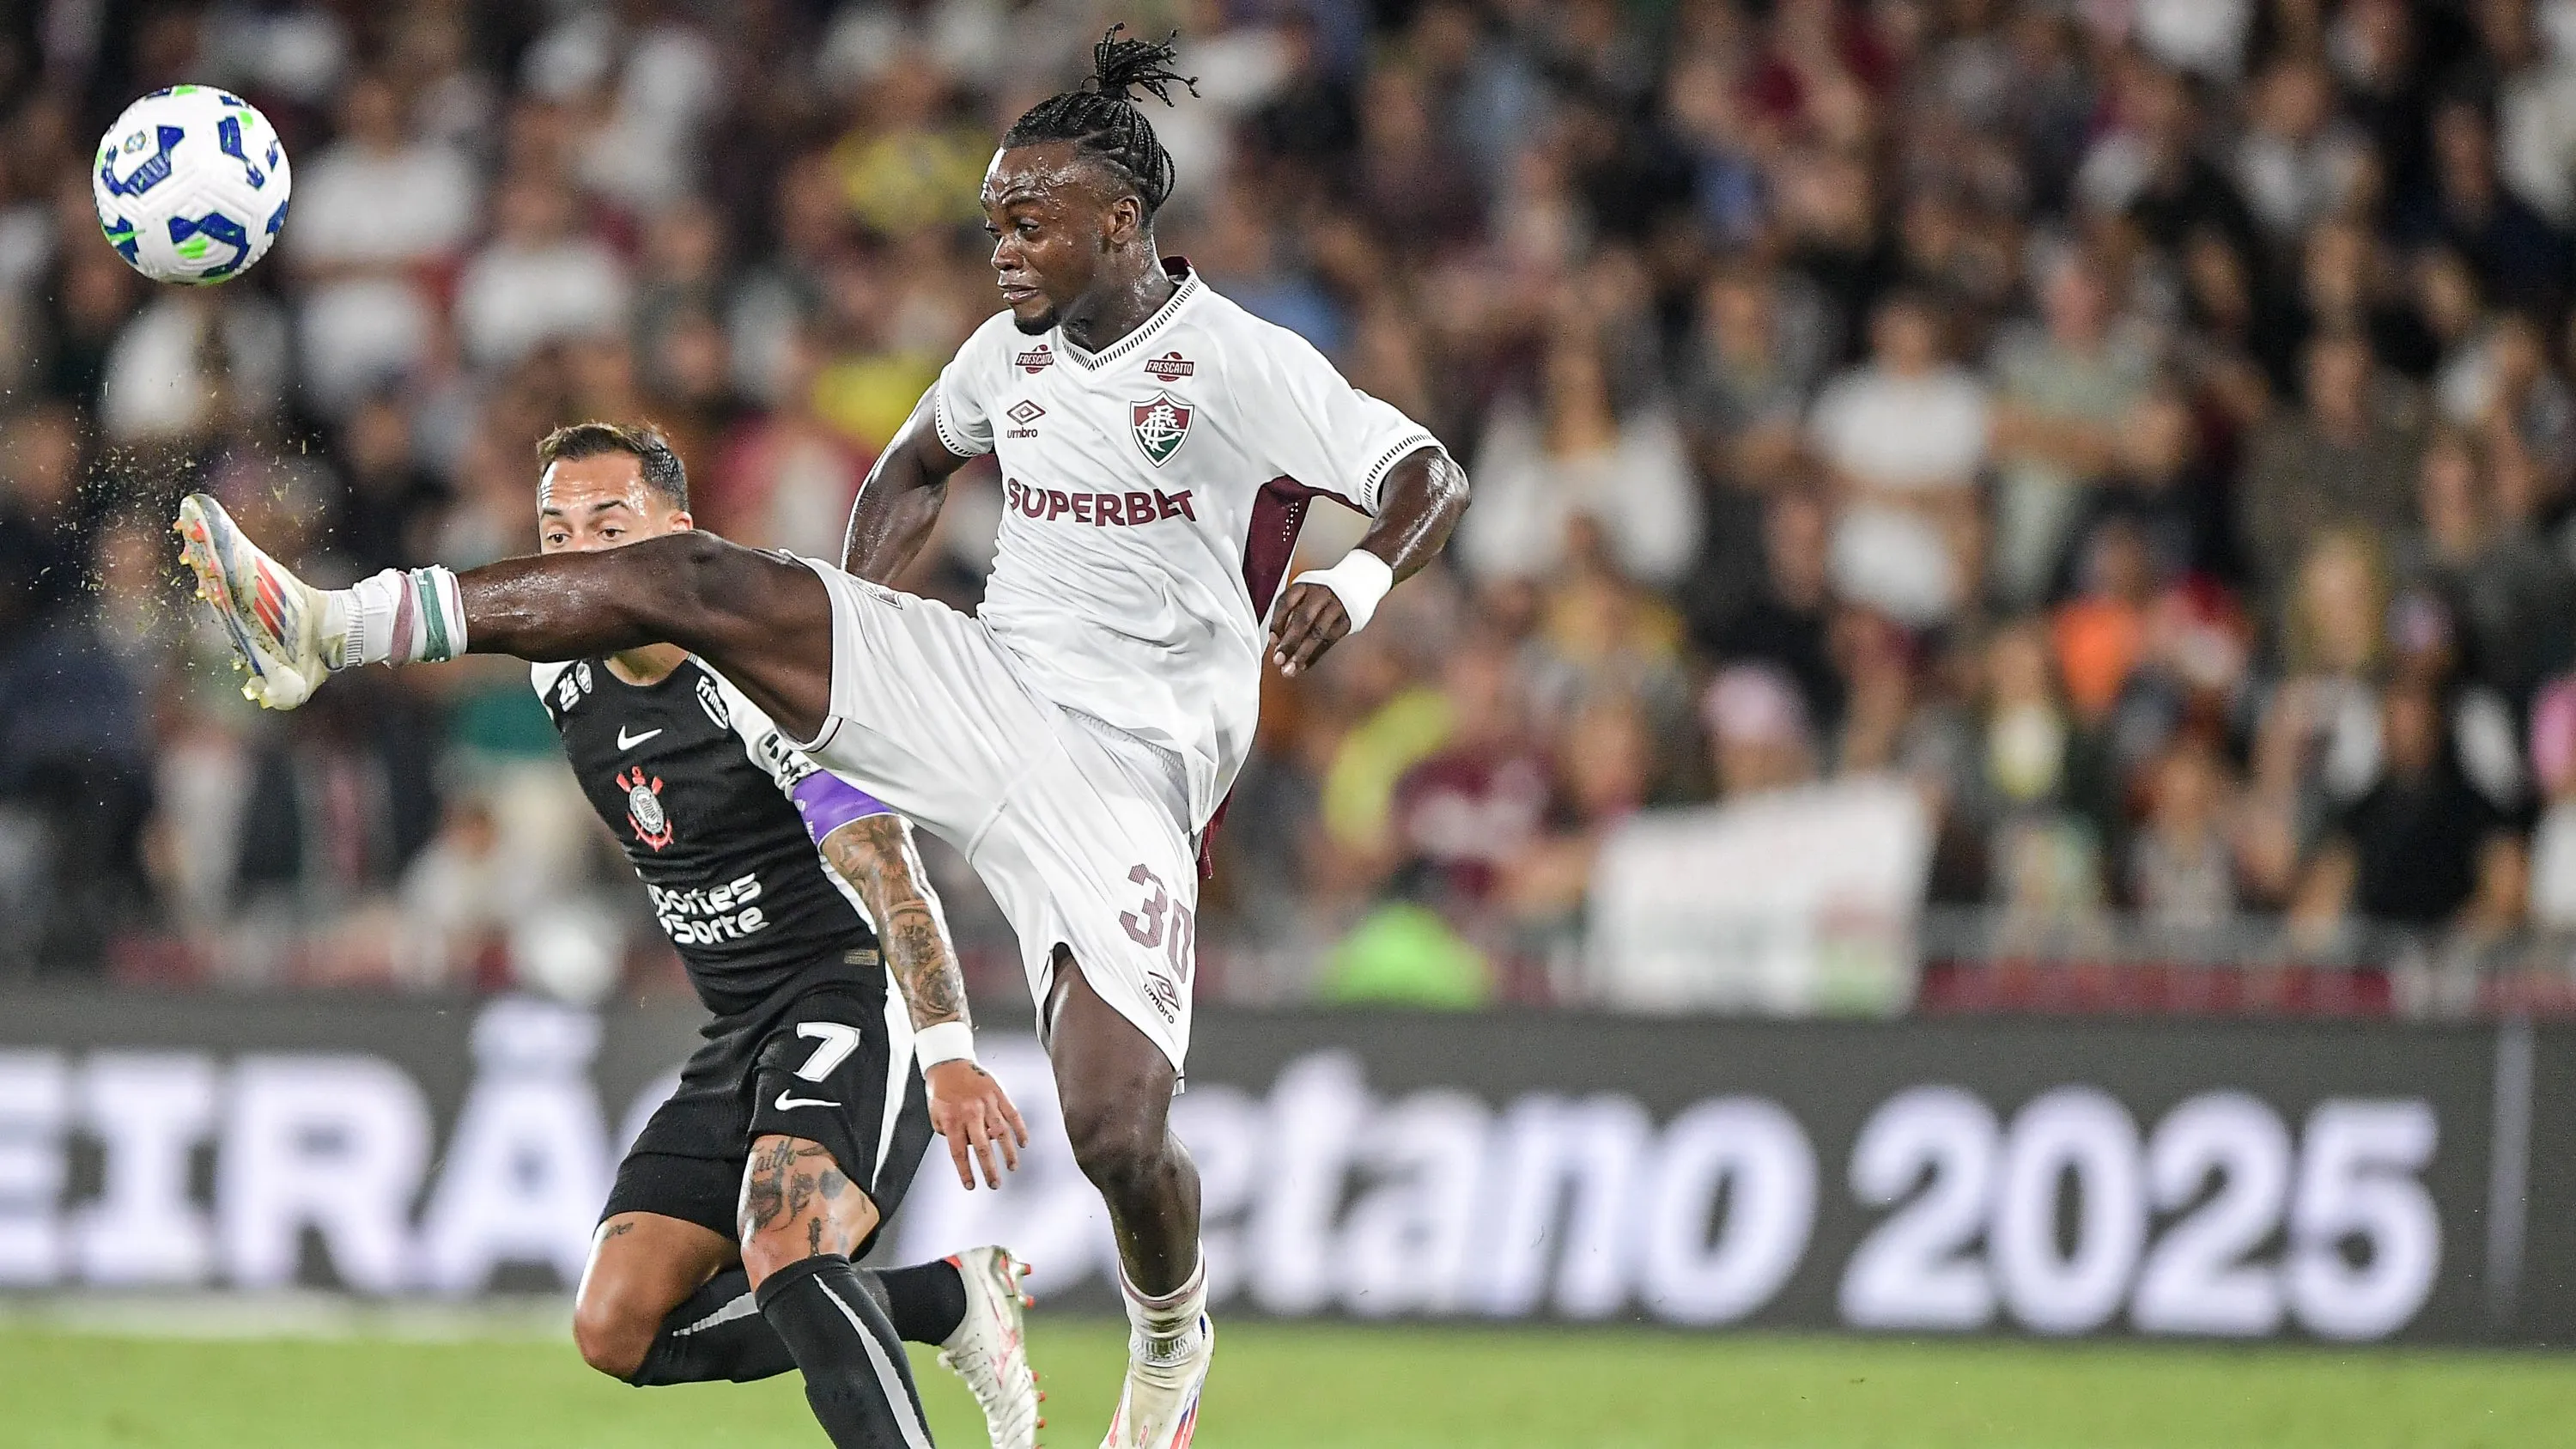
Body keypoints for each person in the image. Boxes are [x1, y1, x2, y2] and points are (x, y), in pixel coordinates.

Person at [175, 29, 1471, 1449]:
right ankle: (330, 625)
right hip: (987, 683)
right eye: (991, 221)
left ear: (1121, 220)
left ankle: (1172, 1325)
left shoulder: (1236, 361)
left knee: (1116, 1128)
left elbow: (1423, 471)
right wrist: (842, 645)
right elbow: (917, 466)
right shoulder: (1006, 357)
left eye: (1027, 220)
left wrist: (1350, 580)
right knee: (701, 578)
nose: (1002, 246)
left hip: (1130, 765)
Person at [551, 423, 1046, 1446]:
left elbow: (887, 866)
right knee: (617, 1327)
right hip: (740, 1024)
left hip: (852, 990)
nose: (579, 555)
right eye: (556, 533)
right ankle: (949, 1304)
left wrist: (950, 1056)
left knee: (788, 1244)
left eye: (610, 524)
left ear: (679, 538)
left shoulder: (761, 679)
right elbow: (433, 617)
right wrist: (312, 634)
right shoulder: (556, 667)